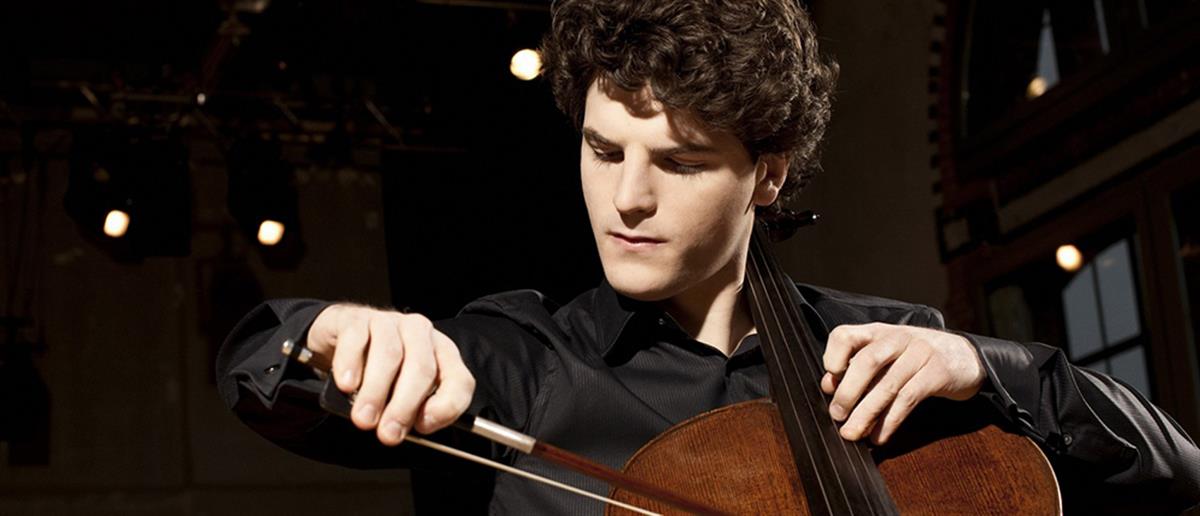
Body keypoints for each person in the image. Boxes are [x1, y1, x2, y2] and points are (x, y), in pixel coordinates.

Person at [216, 0, 1200, 513]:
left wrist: (983, 363)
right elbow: (264, 373)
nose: (627, 198)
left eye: (679, 163)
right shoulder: (527, 358)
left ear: (767, 176)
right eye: (604, 151)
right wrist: (328, 334)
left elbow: (1173, 471)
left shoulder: (889, 351)